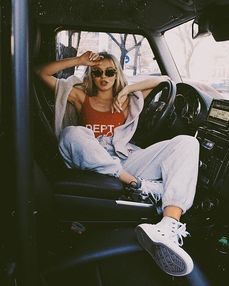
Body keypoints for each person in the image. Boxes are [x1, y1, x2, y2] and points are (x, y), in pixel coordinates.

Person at [36, 50, 199, 276]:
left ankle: (169, 226)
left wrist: (128, 89)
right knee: (72, 133)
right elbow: (40, 72)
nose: (104, 77)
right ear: (91, 75)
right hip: (91, 158)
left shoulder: (128, 98)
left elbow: (165, 80)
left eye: (110, 72)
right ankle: (138, 185)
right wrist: (79, 61)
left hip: (124, 156)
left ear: (117, 74)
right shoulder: (80, 96)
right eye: (97, 72)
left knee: (187, 143)